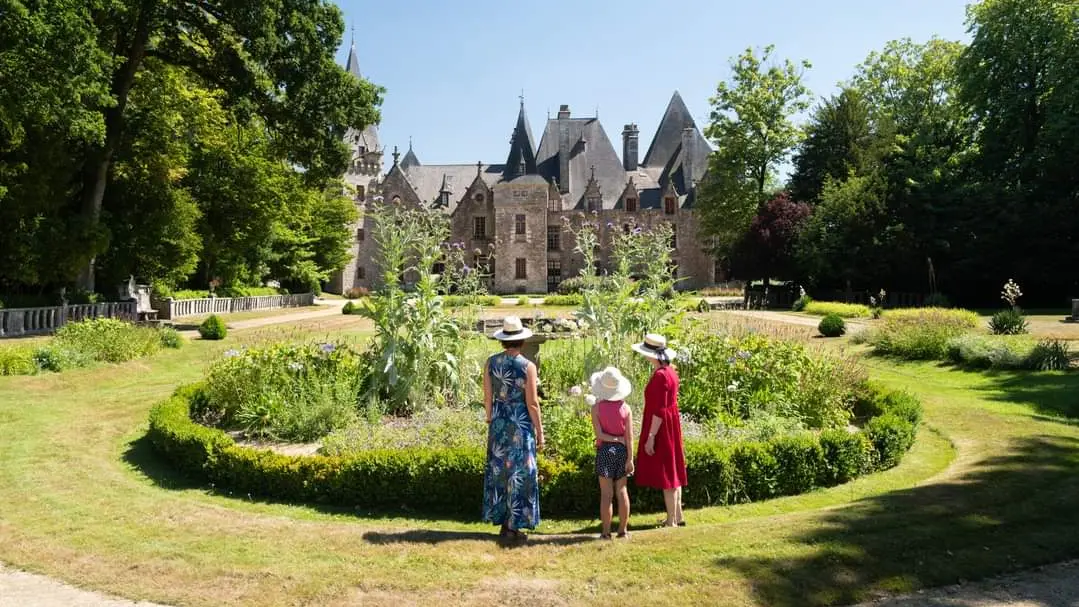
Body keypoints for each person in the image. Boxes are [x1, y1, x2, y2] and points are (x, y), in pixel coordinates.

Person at [482, 316, 544, 541]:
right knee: (520, 473)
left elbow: (487, 397)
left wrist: (490, 418)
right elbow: (532, 403)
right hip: (520, 425)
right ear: (522, 340)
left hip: (499, 423)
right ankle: (514, 525)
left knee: (500, 472)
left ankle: (504, 523)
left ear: (503, 340)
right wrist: (540, 432)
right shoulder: (527, 366)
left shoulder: (491, 363)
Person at [632, 333, 688, 527]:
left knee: (667, 473)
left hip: (662, 426)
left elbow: (659, 410)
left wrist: (651, 436)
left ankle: (671, 520)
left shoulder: (660, 376)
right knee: (673, 469)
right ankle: (678, 515)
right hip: (671, 424)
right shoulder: (670, 371)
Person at [587, 367, 635, 539]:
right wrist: (630, 458)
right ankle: (623, 530)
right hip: (622, 452)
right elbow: (629, 437)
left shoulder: (596, 408)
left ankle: (606, 532)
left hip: (605, 451)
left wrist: (613, 439)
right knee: (622, 491)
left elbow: (599, 435)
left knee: (606, 495)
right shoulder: (626, 408)